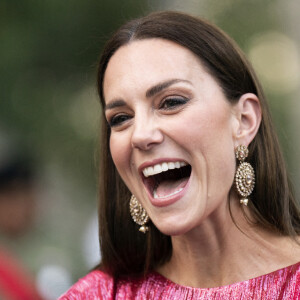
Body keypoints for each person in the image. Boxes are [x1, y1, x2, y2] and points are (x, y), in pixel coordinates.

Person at [60, 11, 300, 299]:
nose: (141, 135)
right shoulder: (97, 295)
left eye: (171, 102)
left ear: (244, 120)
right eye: (121, 118)